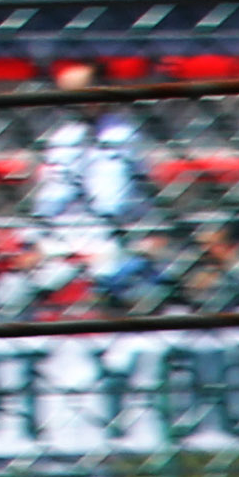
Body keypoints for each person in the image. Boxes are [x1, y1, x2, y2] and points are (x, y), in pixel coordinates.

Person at [26, 60, 148, 300]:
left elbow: (113, 201)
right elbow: (48, 197)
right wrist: (34, 241)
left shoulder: (124, 135)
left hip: (109, 239)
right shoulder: (62, 138)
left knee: (115, 280)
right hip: (58, 238)